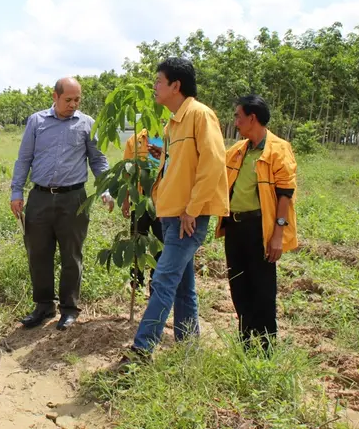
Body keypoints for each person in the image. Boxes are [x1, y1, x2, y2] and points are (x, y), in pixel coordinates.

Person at [120, 57, 228, 366]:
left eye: (158, 81)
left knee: (163, 280)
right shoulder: (172, 125)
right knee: (182, 285)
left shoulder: (200, 115)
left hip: (186, 217)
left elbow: (212, 164)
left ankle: (142, 350)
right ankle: (188, 349)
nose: (154, 87)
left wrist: (192, 210)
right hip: (170, 215)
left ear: (175, 86)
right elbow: (170, 169)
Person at [10, 77, 113, 331]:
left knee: (71, 254)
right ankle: (44, 306)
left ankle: (69, 308)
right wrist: (16, 192)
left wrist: (106, 188)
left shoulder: (86, 123)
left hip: (73, 198)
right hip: (40, 197)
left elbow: (98, 160)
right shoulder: (37, 121)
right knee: (38, 253)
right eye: (68, 99)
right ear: (55, 96)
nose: (73, 104)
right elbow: (24, 159)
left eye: (77, 99)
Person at [215, 95, 298, 351]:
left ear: (252, 118)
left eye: (238, 116)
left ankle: (266, 346)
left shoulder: (278, 149)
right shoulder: (238, 151)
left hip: (260, 228)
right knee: (238, 285)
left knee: (262, 289)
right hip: (235, 227)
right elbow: (213, 167)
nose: (235, 122)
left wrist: (277, 235)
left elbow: (285, 194)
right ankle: (246, 342)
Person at [120, 128, 164, 294]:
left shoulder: (171, 136)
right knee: (137, 241)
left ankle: (156, 282)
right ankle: (136, 282)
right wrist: (126, 199)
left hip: (163, 201)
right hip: (140, 200)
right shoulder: (135, 140)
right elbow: (127, 172)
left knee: (161, 243)